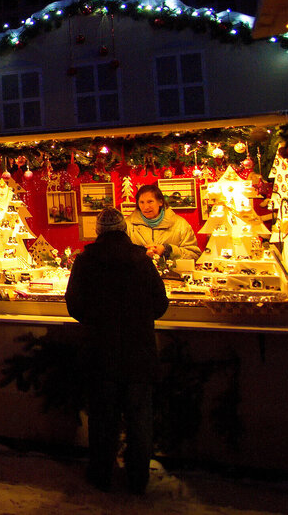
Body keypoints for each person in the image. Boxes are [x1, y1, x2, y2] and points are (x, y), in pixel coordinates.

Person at [66, 208, 170, 494]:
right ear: (124, 230)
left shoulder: (85, 261)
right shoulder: (142, 260)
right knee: (139, 420)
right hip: (139, 354)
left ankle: (101, 474)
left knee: (102, 418)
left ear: (98, 231)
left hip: (100, 354)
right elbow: (160, 304)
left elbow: (74, 306)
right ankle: (138, 479)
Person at [126, 183, 201, 261]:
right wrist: (140, 254)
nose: (146, 207)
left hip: (172, 273)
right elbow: (119, 255)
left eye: (150, 201)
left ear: (160, 202)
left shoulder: (180, 225)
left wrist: (167, 250)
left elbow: (194, 256)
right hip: (139, 273)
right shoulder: (127, 225)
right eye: (142, 202)